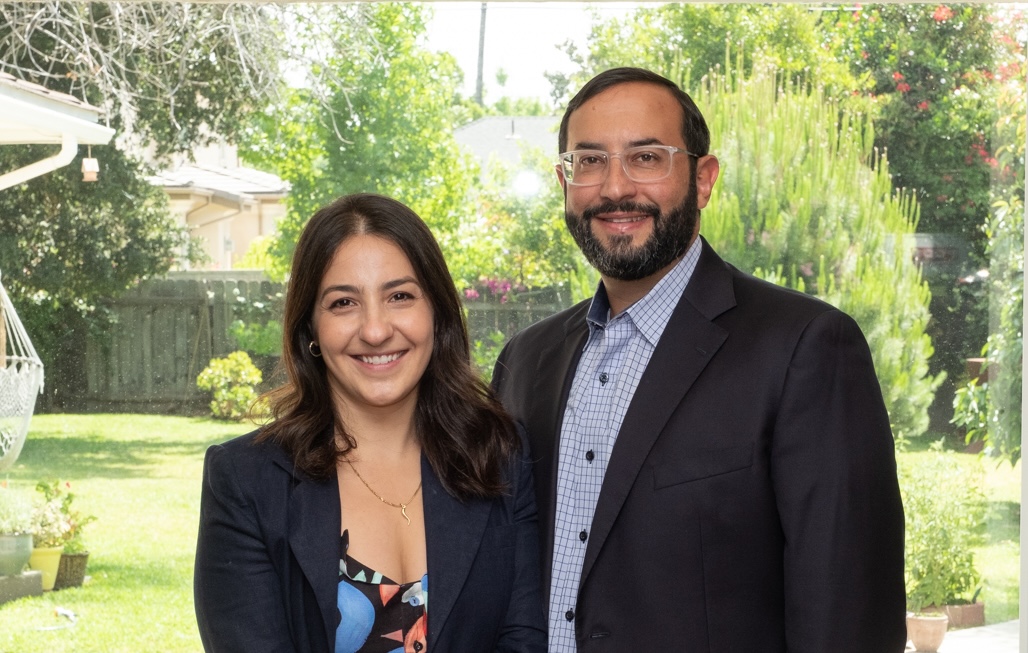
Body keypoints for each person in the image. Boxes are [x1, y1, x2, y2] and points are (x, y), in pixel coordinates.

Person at [492, 67, 906, 652]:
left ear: (704, 179)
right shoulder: (524, 360)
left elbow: (848, 612)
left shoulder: (805, 348)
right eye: (588, 161)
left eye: (646, 157)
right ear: (565, 181)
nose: (614, 188)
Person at [195, 193, 546, 653]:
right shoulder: (245, 480)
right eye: (344, 303)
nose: (376, 330)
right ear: (311, 331)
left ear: (436, 313)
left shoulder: (500, 456)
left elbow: (524, 640)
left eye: (399, 296)